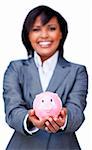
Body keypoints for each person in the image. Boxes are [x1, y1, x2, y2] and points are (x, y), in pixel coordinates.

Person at [3, 5, 88, 150]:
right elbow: (12, 109)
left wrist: (64, 118)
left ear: (61, 33)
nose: (44, 35)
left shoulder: (77, 71)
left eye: (51, 28)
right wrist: (30, 119)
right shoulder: (15, 68)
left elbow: (76, 110)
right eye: (36, 29)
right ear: (28, 35)